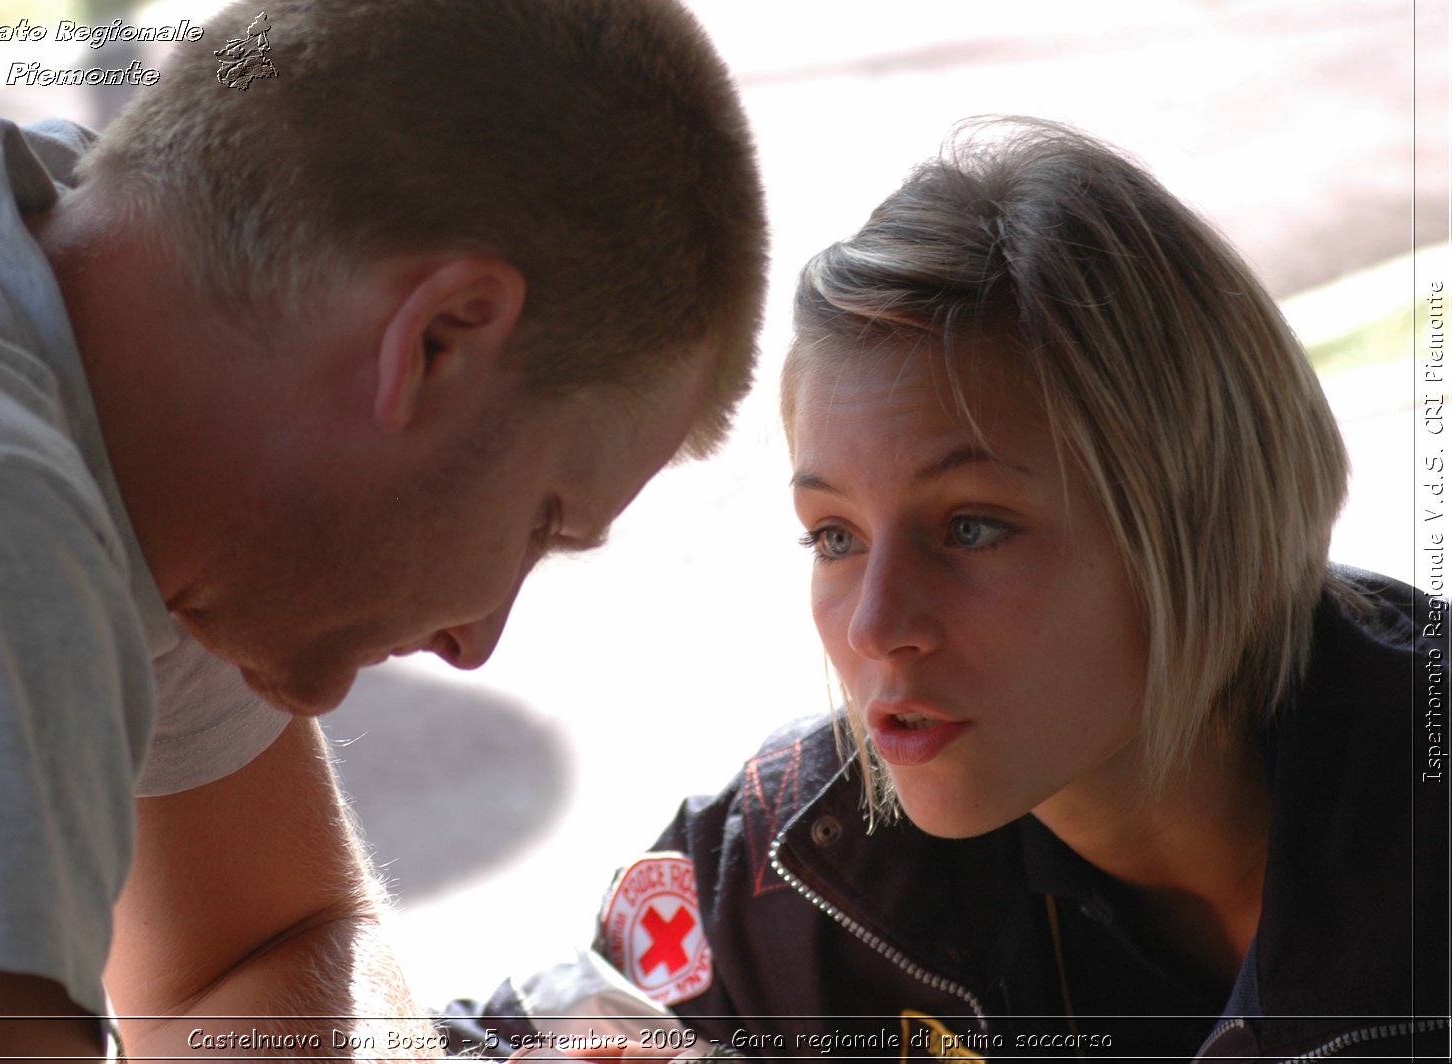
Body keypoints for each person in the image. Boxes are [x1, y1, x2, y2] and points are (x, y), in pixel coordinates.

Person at [0, 0, 765, 1056]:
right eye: (542, 523)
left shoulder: (144, 373)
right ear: (436, 340)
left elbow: (263, 945)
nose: (478, 639)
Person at [442, 119, 1450, 1060]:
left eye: (969, 527)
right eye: (832, 535)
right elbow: (479, 1039)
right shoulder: (802, 854)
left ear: (1204, 521)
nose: (877, 626)